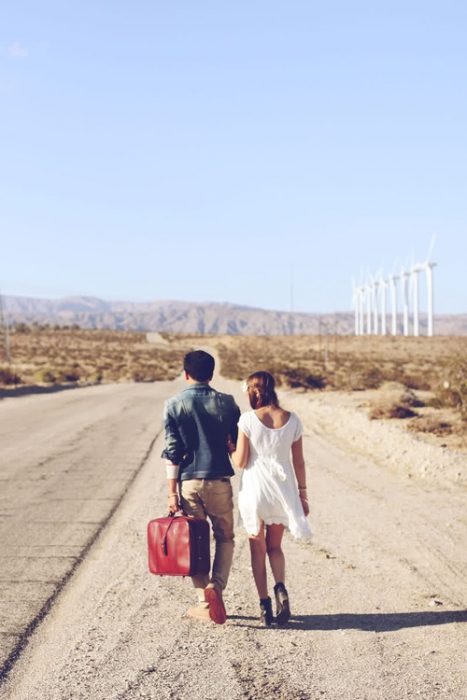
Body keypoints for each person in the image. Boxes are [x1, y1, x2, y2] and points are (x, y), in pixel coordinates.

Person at [161, 350, 240, 624]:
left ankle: (202, 603)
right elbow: (234, 445)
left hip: (189, 481)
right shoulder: (228, 404)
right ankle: (215, 587)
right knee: (226, 537)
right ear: (212, 373)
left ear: (185, 374)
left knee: (195, 544)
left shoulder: (173, 404)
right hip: (219, 480)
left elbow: (173, 452)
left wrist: (172, 493)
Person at [229, 370, 311, 626]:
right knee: (275, 547)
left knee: (257, 547)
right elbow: (298, 462)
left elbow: (241, 462)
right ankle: (280, 588)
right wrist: (303, 494)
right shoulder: (293, 419)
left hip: (256, 489)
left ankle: (264, 605)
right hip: (282, 490)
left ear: (253, 391)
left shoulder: (248, 420)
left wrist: (231, 448)